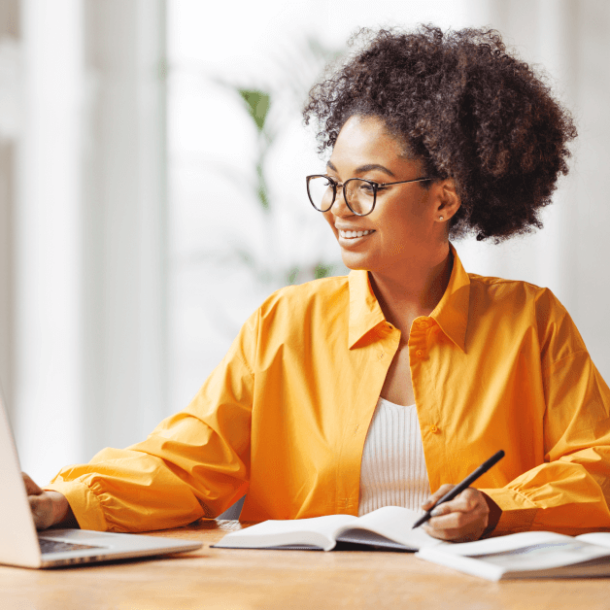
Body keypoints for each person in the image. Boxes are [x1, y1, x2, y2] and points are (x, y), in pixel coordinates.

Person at [25, 25, 610, 543]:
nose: (338, 209)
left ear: (444, 198)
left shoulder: (530, 322)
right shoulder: (285, 323)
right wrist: (65, 502)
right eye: (331, 183)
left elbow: (599, 466)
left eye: (369, 186)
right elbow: (187, 461)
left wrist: (497, 508)